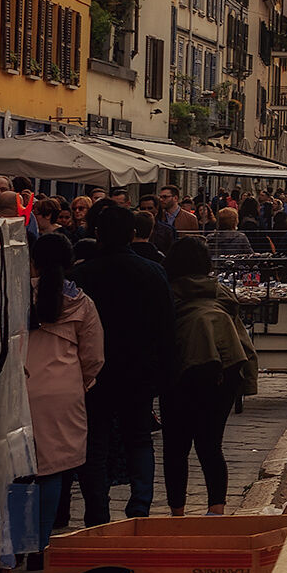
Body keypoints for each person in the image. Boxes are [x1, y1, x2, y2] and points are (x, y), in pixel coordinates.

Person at [70, 202, 173, 525]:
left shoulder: (82, 275)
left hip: (92, 373)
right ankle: (140, 506)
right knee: (138, 437)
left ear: (97, 233)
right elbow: (167, 328)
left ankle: (97, 512)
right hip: (138, 371)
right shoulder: (153, 273)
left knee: (95, 442)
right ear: (132, 234)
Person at [163, 237, 259, 516]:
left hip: (182, 372)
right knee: (210, 444)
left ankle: (177, 515)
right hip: (224, 371)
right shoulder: (221, 293)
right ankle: (216, 510)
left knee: (176, 447)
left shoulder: (168, 294)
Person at [23, 237, 104, 567]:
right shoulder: (81, 302)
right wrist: (80, 382)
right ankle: (41, 547)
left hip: (20, 386)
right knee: (52, 470)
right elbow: (93, 356)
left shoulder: (13, 296)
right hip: (64, 391)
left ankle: (16, 544)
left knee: (19, 471)